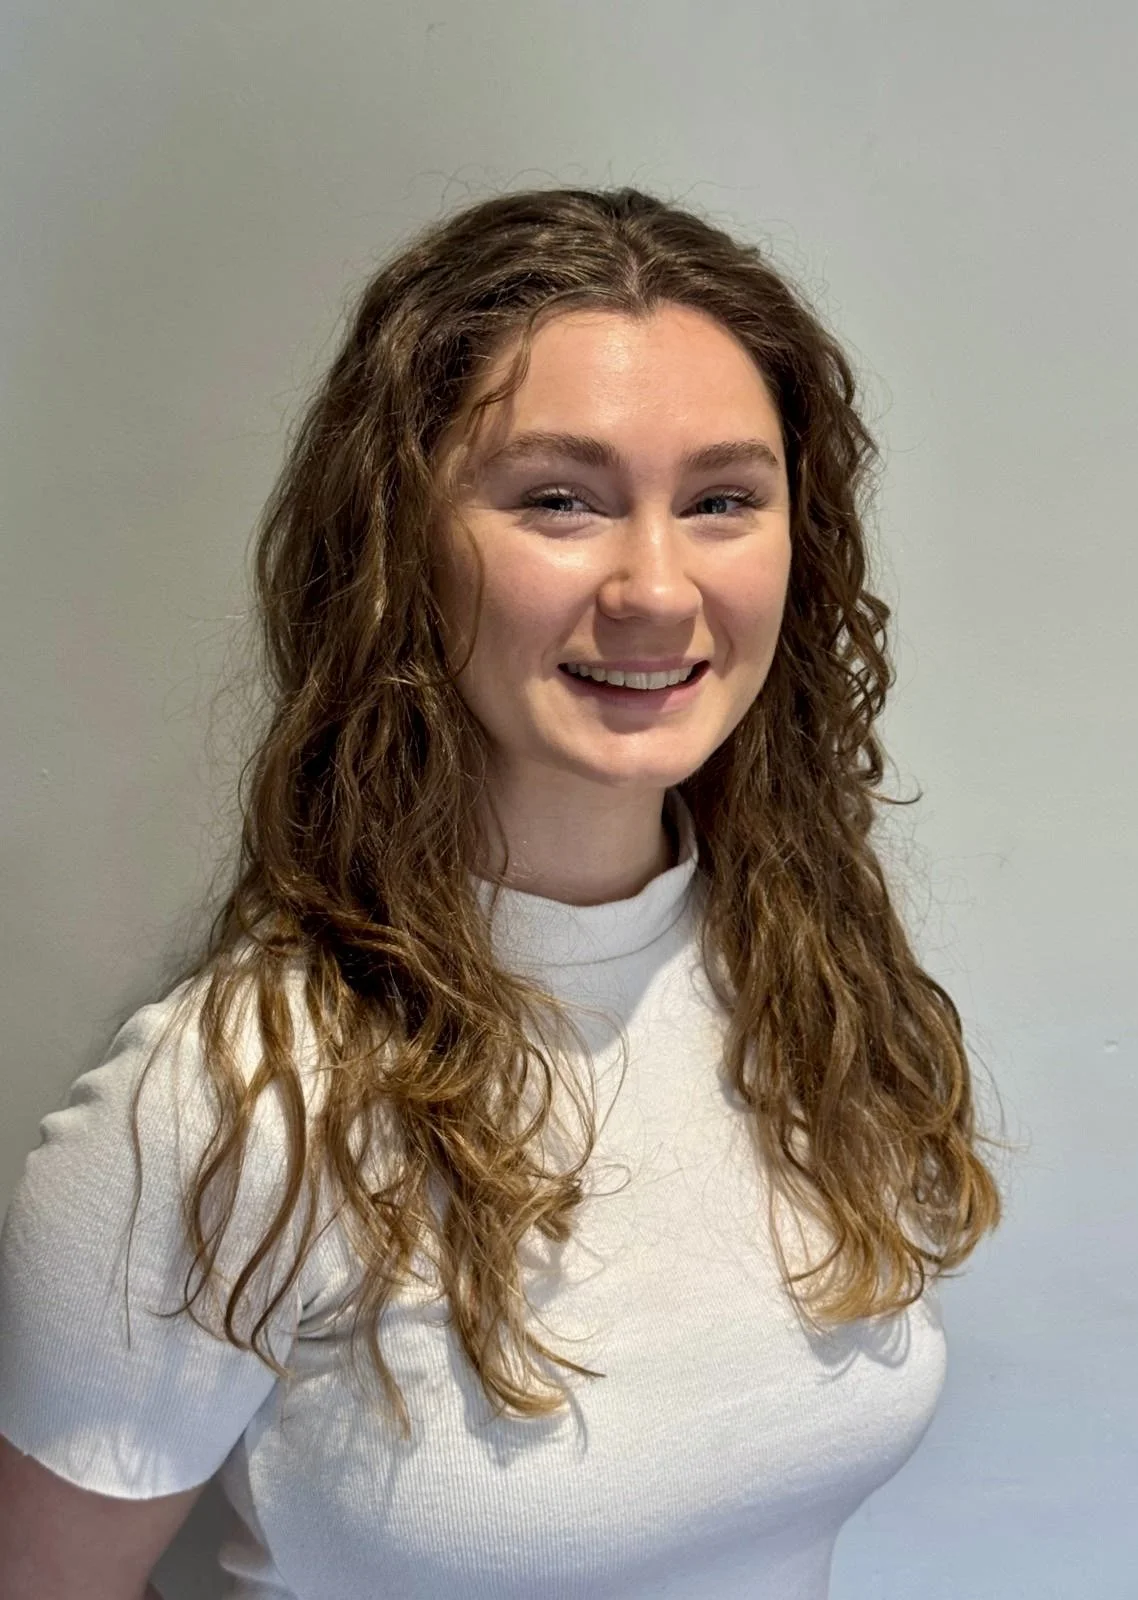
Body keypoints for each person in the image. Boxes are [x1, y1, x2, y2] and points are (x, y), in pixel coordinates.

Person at [0, 185, 1008, 1600]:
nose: (657, 586)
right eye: (559, 500)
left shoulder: (822, 986)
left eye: (723, 498)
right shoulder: (228, 1101)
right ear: (402, 542)